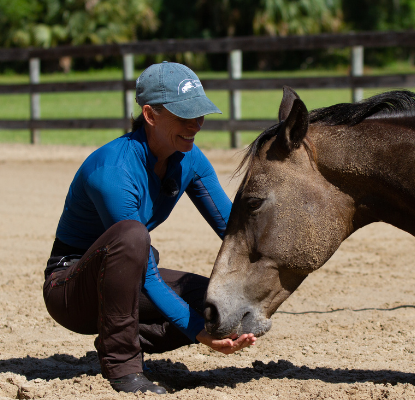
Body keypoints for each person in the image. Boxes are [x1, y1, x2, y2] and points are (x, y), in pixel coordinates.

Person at [42, 61, 256, 394]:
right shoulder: (113, 171)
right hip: (70, 289)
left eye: (199, 113)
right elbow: (148, 275)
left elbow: (233, 231)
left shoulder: (190, 158)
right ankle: (123, 366)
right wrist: (199, 332)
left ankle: (120, 336)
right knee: (133, 237)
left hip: (128, 276)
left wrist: (275, 265)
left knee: (218, 303)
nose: (196, 124)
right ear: (150, 115)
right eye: (184, 115)